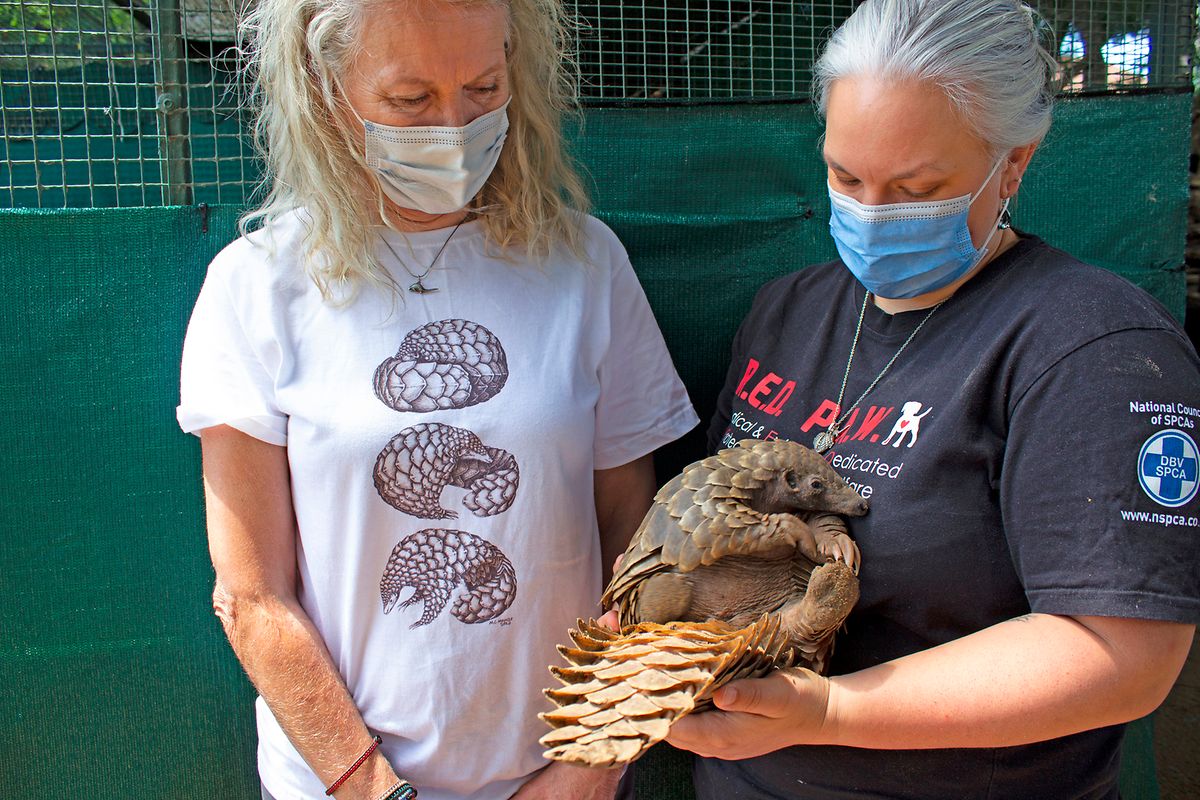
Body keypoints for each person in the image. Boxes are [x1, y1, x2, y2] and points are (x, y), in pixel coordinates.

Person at [668, 1, 1200, 798]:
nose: (874, 213)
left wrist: (829, 713)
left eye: (918, 187)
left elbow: (1123, 658)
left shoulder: (1095, 347)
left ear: (1012, 162)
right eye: (846, 177)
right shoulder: (786, 313)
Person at [175, 0, 698, 798]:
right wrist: (371, 787)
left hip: (561, 769)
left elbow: (637, 540)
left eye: (484, 87)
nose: (454, 128)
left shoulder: (584, 264)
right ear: (325, 91)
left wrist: (593, 763)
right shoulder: (257, 287)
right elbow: (251, 596)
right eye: (410, 100)